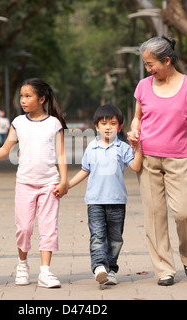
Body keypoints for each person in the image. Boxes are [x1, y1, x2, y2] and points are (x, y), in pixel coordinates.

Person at [127, 36, 187, 286]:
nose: (148, 69)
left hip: (179, 158)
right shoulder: (143, 86)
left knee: (184, 212)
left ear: (167, 60)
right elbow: (137, 117)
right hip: (148, 157)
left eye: (151, 64)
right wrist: (134, 132)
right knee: (155, 215)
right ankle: (164, 269)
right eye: (145, 65)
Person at [0, 78, 68, 288]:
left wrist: (64, 181)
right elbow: (5, 150)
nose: (23, 100)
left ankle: (45, 272)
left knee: (49, 228)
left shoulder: (54, 123)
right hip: (25, 184)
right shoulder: (18, 122)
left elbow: (61, 154)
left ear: (41, 99)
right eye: (21, 96)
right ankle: (22, 265)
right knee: (24, 228)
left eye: (28, 96)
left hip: (50, 184)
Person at [68, 104, 142, 285]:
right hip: (95, 202)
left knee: (116, 239)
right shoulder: (91, 148)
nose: (108, 127)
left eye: (113, 123)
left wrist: (138, 148)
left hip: (117, 202)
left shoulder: (123, 148)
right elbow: (84, 171)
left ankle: (111, 270)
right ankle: (99, 267)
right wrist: (66, 185)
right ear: (96, 126)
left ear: (120, 126)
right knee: (98, 236)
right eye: (103, 123)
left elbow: (136, 167)